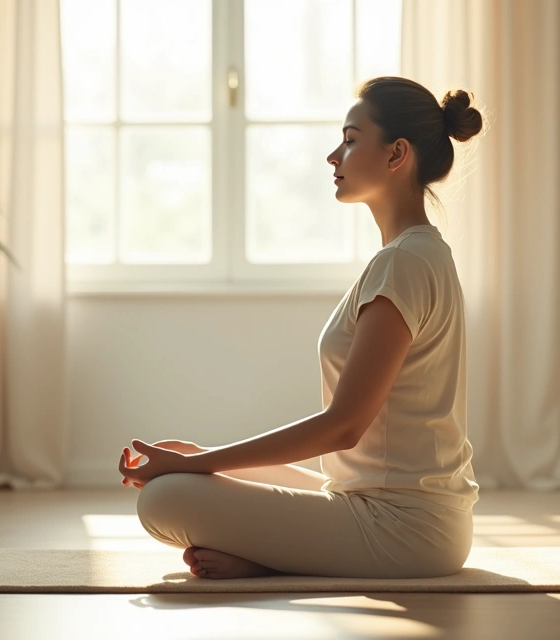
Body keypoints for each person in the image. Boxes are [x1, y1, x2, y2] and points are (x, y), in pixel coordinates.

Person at [117, 76, 484, 580]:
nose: (334, 156)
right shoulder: (420, 254)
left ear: (397, 154)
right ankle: (268, 550)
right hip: (397, 510)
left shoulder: (404, 263)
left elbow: (343, 426)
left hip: (404, 529)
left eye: (352, 140)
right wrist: (207, 458)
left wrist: (198, 469)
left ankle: (268, 559)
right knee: (194, 472)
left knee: (165, 498)